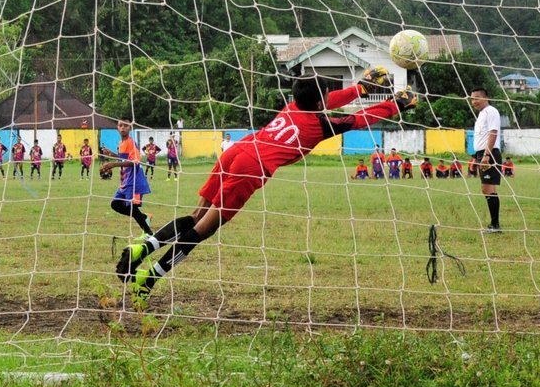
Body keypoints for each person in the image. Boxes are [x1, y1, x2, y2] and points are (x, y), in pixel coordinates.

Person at [117, 68, 417, 304]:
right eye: (327, 93)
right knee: (204, 229)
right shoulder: (320, 125)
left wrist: (361, 89)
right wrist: (396, 105)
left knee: (196, 215)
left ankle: (143, 246)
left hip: (236, 151)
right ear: (318, 101)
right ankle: (150, 278)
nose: (331, 96)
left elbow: (330, 101)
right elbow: (360, 119)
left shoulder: (293, 106)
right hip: (252, 167)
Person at [100, 118, 153, 236]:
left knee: (133, 208)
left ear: (130, 128)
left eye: (125, 125)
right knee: (116, 204)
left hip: (133, 181)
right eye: (120, 125)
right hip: (124, 182)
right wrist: (112, 154)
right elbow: (123, 159)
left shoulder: (131, 143)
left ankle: (148, 234)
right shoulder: (121, 144)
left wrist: (113, 164)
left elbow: (135, 161)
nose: (123, 127)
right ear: (117, 128)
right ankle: (145, 217)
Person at [471, 88, 504, 233]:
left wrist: (486, 155)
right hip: (481, 154)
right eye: (472, 99)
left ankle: (495, 226)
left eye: (477, 98)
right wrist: (475, 157)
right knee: (487, 189)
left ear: (486, 98)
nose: (474, 101)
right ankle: (494, 224)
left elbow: (493, 133)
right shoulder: (481, 114)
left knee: (487, 188)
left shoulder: (491, 111)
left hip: (489, 154)